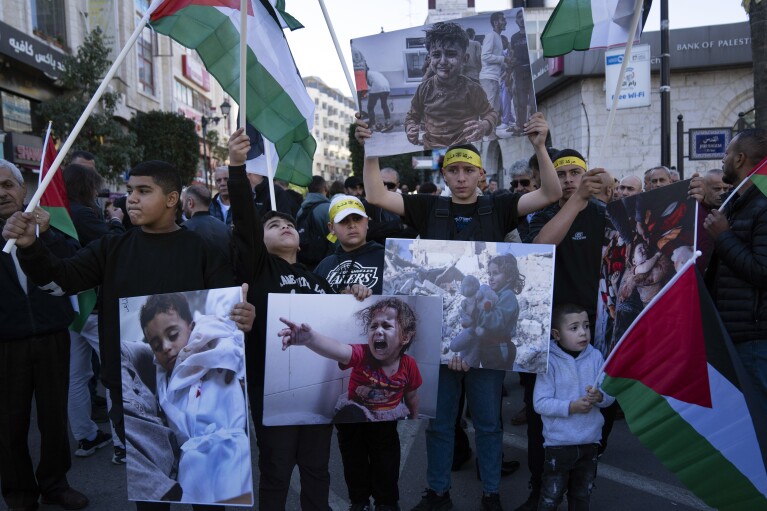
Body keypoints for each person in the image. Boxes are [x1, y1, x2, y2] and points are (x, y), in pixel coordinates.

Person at [4, 160, 255, 511]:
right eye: (129, 190)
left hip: (202, 393)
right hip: (132, 396)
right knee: (152, 496)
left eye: (142, 191)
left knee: (209, 493)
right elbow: (59, 281)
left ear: (171, 199)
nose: (130, 199)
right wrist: (31, 246)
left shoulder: (203, 250)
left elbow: (227, 314)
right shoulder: (111, 249)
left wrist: (243, 315)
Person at [358, 110, 561, 511]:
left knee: (488, 425)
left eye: (469, 170)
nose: (462, 177)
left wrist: (540, 146)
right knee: (439, 424)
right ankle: (438, 493)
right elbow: (377, 195)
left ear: (481, 175)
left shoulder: (499, 206)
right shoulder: (426, 208)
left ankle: (490, 494)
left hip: (484, 346)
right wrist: (371, 151)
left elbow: (551, 194)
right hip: (439, 340)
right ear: (445, 176)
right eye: (455, 171)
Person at [227, 128, 368, 510]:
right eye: (273, 226)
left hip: (320, 390)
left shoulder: (316, 277)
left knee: (317, 469)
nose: (284, 226)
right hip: (272, 388)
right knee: (276, 470)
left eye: (288, 224)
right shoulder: (258, 268)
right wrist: (237, 167)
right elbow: (243, 216)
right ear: (259, 240)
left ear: (302, 238)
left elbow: (345, 323)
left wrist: (356, 298)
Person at [518, 149, 607, 511]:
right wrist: (578, 201)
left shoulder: (604, 214)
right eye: (562, 174)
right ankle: (539, 490)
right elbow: (542, 247)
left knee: (596, 407)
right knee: (541, 419)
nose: (569, 180)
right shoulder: (537, 215)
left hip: (591, 334)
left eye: (576, 173)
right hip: (544, 333)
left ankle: (579, 490)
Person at [0, 159, 89, 511]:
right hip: (6, 340)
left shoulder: (45, 225)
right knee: (9, 423)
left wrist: (48, 234)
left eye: (8, 185)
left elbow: (74, 268)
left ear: (24, 190)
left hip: (52, 333)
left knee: (53, 418)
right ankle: (20, 494)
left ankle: (55, 484)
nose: (2, 193)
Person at [139, 293, 251, 504]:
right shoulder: (161, 378)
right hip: (194, 470)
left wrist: (237, 367)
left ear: (191, 327)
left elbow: (232, 340)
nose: (165, 347)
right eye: (156, 345)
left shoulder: (218, 348)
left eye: (173, 335)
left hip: (230, 458)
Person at [700, 128, 767, 416]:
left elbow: (762, 271)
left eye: (727, 153)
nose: (722, 158)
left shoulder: (762, 207)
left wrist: (723, 236)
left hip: (754, 339)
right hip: (734, 333)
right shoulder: (739, 204)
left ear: (740, 159)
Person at [62, 163, 126, 464]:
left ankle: (86, 436)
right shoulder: (83, 213)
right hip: (92, 304)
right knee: (114, 372)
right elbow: (113, 246)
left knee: (78, 373)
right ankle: (121, 442)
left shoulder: (60, 212)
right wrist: (114, 220)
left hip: (71, 303)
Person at [280, 297, 422, 422]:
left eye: (386, 326)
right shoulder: (362, 354)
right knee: (352, 415)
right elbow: (338, 348)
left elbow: (411, 397)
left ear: (405, 337)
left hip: (390, 414)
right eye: (373, 326)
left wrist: (414, 419)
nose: (378, 331)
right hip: (360, 411)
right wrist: (310, 339)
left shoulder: (409, 364)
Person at [533, 304, 614, 511]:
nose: (582, 333)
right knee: (551, 496)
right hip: (558, 444)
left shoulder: (595, 356)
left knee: (581, 496)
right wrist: (572, 407)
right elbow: (540, 403)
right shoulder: (549, 361)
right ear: (557, 334)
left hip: (590, 442)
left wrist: (600, 397)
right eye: (574, 328)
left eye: (586, 326)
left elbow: (610, 396)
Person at [405, 22, 498, 149]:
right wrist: (410, 128)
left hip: (464, 147)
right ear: (429, 59)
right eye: (436, 55)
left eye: (451, 54)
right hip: (433, 147)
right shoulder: (423, 89)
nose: (443, 61)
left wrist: (485, 125)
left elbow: (490, 113)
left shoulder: (472, 89)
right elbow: (412, 116)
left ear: (464, 59)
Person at [181, 183, 232, 261]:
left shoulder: (184, 230)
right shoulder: (225, 229)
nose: (182, 208)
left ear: (190, 202)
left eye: (183, 202)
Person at [479, 12, 508, 136]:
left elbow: (496, 59)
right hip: (488, 78)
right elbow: (485, 56)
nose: (505, 22)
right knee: (488, 109)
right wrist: (503, 59)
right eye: (503, 20)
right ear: (496, 22)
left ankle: (491, 134)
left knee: (495, 110)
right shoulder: (491, 36)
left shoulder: (498, 38)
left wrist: (506, 64)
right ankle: (482, 135)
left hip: (495, 78)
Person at [507, 10, 534, 135]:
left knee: (533, 101)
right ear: (516, 21)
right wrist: (509, 72)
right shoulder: (514, 38)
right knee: (521, 102)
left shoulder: (533, 32)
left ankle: (533, 125)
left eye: (523, 17)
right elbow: (511, 56)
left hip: (532, 70)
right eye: (519, 17)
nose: (522, 19)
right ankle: (521, 126)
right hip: (519, 73)